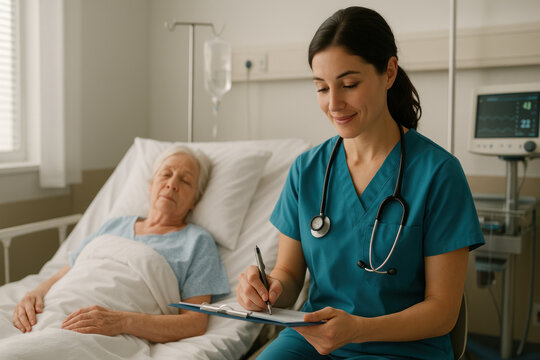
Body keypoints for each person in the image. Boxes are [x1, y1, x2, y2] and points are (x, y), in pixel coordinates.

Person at [237, 6, 484, 359]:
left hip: (405, 348)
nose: (334, 104)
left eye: (349, 84)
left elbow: (443, 312)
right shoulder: (307, 170)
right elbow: (289, 274)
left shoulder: (439, 173)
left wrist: (359, 329)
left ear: (389, 72)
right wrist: (267, 289)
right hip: (313, 341)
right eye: (322, 88)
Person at [12, 145, 230, 343]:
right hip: (56, 306)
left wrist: (121, 322)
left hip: (107, 330)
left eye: (185, 181)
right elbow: (71, 269)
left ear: (195, 200)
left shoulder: (198, 242)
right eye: (166, 174)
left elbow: (194, 322)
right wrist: (35, 294)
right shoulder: (116, 224)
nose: (172, 184)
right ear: (151, 184)